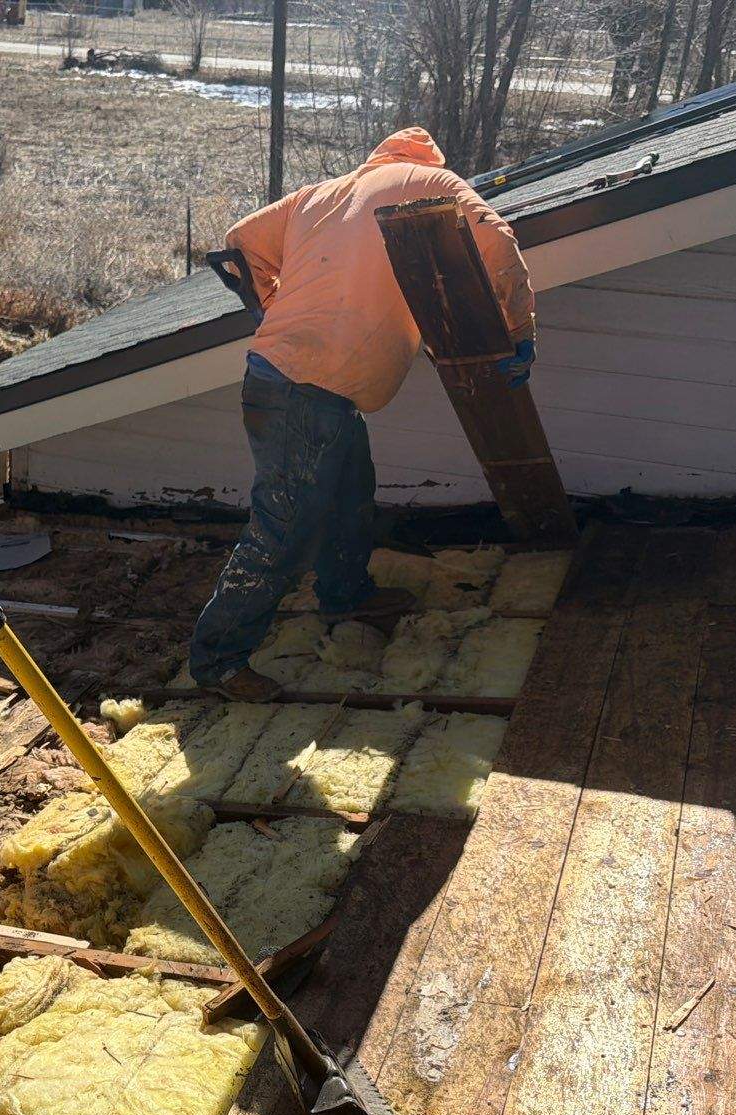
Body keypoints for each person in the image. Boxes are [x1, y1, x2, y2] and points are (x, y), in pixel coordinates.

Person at [190, 127, 535, 700]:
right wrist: (519, 331)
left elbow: (239, 240)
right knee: (280, 531)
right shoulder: (433, 183)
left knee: (351, 495)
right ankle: (218, 662)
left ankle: (346, 595)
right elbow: (496, 239)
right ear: (428, 158)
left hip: (295, 381)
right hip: (304, 387)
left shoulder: (320, 194)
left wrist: (278, 307)